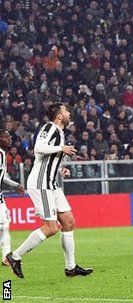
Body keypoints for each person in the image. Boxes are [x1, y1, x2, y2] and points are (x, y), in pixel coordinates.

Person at [6, 103, 93, 278]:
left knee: (68, 221)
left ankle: (70, 267)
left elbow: (47, 158)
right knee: (52, 227)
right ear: (59, 116)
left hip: (51, 183)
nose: (69, 112)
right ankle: (15, 256)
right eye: (66, 110)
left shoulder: (59, 133)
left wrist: (61, 168)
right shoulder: (50, 127)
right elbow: (38, 148)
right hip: (41, 183)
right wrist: (61, 148)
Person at [0, 130, 25, 266]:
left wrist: (15, 185)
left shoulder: (3, 154)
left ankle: (6, 256)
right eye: (6, 137)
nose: (9, 139)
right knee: (3, 226)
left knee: (4, 226)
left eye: (10, 136)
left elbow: (2, 177)